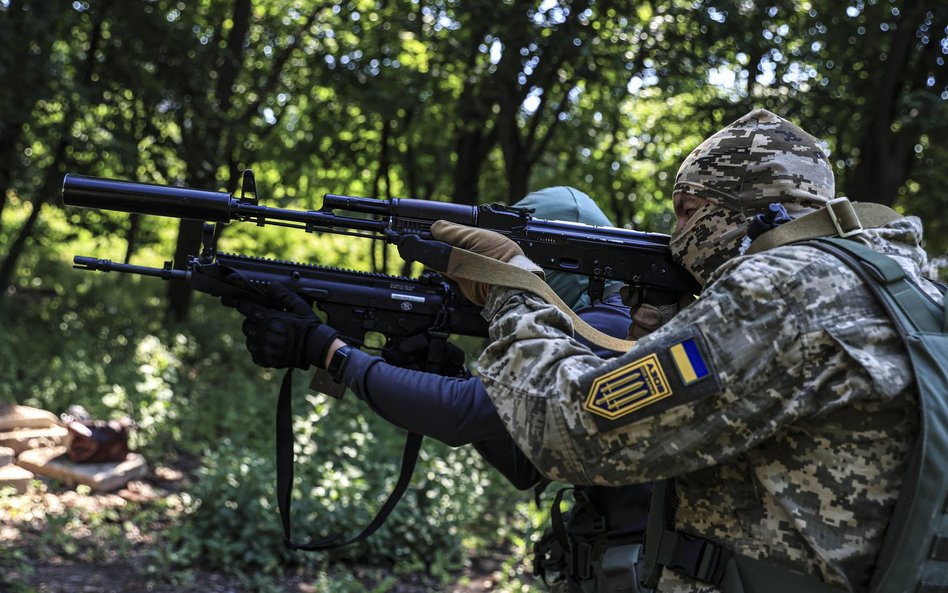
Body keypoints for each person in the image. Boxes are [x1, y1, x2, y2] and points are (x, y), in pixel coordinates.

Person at [410, 109, 943, 592]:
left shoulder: (777, 290)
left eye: (684, 211)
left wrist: (509, 289)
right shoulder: (908, 284)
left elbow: (571, 430)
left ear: (721, 209)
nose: (675, 237)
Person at [223, 186, 656, 592]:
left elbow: (461, 414)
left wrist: (332, 353)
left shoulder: (609, 332)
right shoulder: (595, 326)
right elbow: (523, 465)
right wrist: (448, 371)